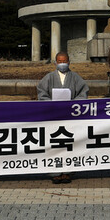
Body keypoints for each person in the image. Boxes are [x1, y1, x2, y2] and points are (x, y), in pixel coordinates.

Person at [37, 52, 89, 184]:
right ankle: (55, 172)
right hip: (53, 116)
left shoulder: (76, 77)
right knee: (54, 145)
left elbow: (83, 92)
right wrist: (50, 103)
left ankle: (67, 172)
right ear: (55, 63)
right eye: (59, 61)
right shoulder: (48, 78)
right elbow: (41, 93)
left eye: (64, 61)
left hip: (70, 117)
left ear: (69, 62)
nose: (62, 64)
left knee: (70, 145)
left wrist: (73, 104)